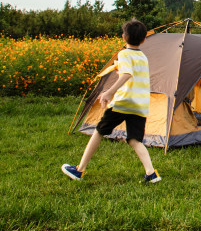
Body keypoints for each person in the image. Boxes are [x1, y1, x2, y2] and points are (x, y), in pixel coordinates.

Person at [61, 19, 160, 183]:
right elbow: (131, 70)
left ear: (123, 37)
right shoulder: (142, 57)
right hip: (140, 105)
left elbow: (127, 74)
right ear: (143, 40)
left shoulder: (124, 54)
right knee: (135, 139)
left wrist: (109, 92)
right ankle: (151, 173)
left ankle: (79, 170)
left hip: (123, 102)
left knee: (99, 131)